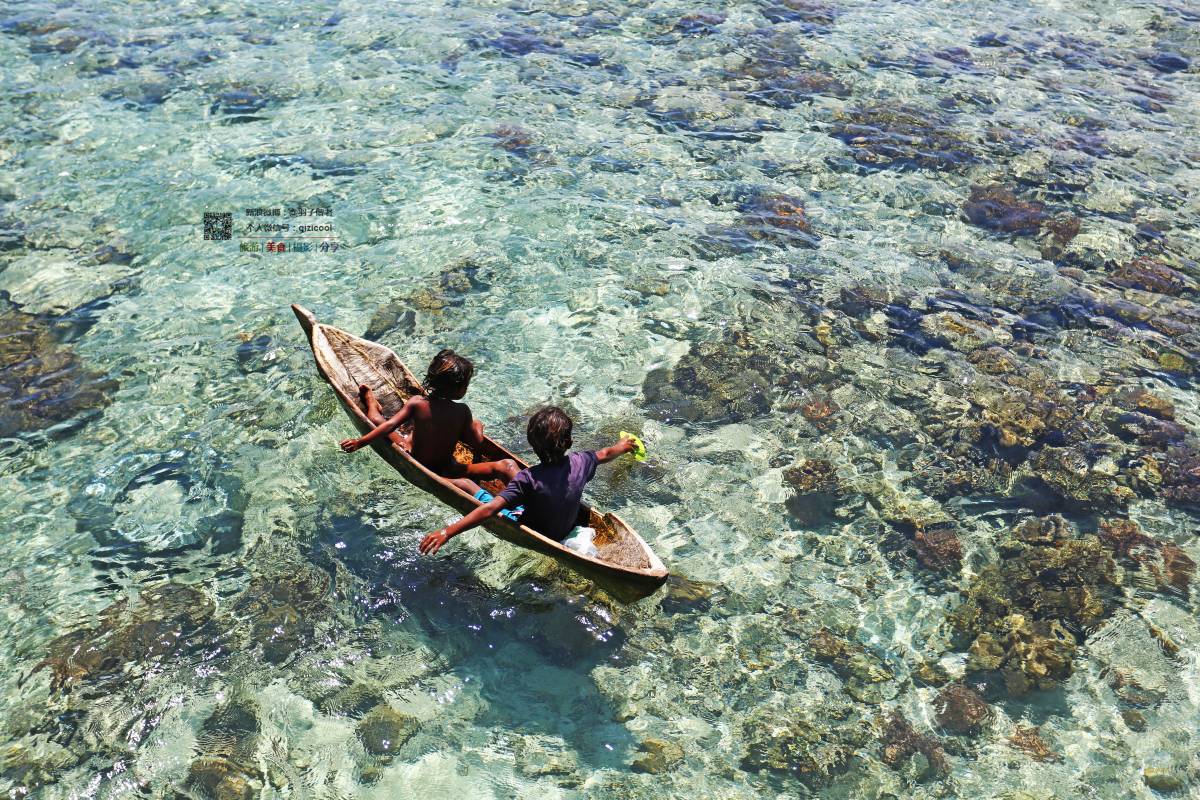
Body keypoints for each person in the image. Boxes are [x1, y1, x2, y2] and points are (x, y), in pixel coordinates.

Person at [419, 406, 637, 555]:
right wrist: (623, 446)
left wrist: (447, 532)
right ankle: (466, 469)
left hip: (533, 526)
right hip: (562, 525)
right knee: (508, 467)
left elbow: (490, 510)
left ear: (532, 444)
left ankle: (433, 476)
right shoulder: (581, 462)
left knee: (466, 484)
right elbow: (605, 453)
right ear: (569, 442)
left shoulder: (528, 479)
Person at [339, 349, 518, 498]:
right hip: (440, 469)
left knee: (378, 420)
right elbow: (475, 443)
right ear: (458, 389)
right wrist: (477, 426)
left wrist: (360, 442)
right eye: (466, 385)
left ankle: (372, 406)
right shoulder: (462, 411)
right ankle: (372, 402)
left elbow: (388, 426)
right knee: (506, 465)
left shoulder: (418, 403)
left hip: (430, 461)